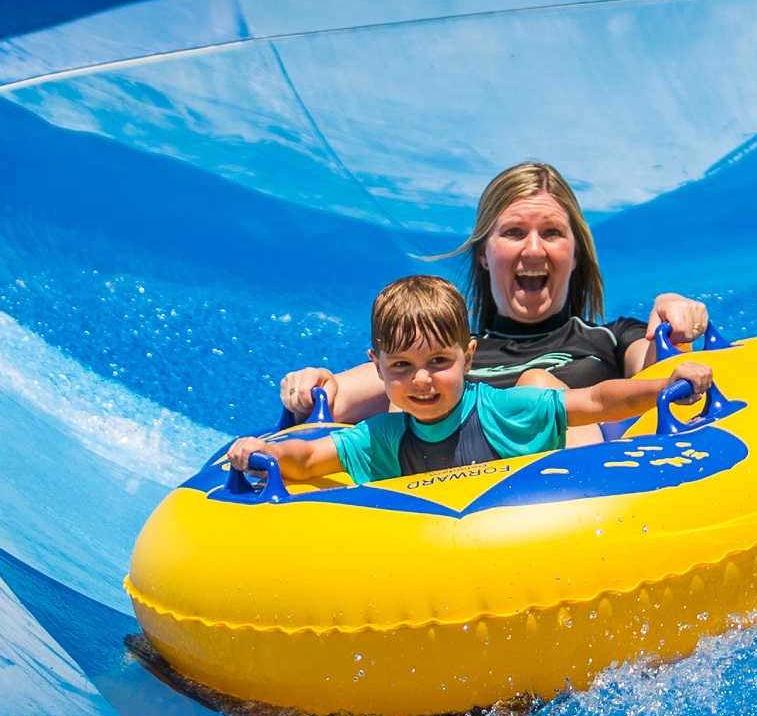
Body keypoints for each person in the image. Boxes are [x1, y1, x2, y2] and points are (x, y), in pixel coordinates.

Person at [278, 161, 710, 424]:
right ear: (485, 254)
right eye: (515, 233)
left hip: (572, 508)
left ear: (575, 255)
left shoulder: (612, 341)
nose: (534, 248)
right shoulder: (443, 355)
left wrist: (673, 312)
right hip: (447, 519)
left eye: (553, 233)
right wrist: (312, 383)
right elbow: (334, 398)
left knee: (537, 388)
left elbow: (662, 372)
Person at [229, 275, 713, 487]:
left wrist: (662, 385)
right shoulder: (383, 436)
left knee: (540, 380)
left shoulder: (504, 410)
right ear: (378, 367)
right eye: (400, 366)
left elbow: (595, 401)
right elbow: (313, 455)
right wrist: (267, 451)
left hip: (549, 515)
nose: (421, 379)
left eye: (439, 361)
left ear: (468, 357)